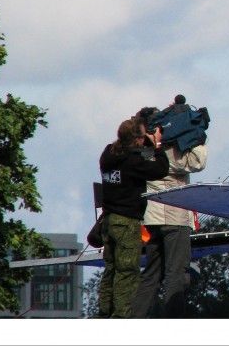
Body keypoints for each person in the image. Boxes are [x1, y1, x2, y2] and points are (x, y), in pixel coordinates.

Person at [131, 98, 208, 318]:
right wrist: (197, 133)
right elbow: (198, 162)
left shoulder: (138, 151)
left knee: (152, 274)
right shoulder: (168, 152)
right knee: (177, 273)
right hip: (174, 217)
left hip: (152, 219)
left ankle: (134, 319)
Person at [97, 117, 170, 318]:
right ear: (137, 140)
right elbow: (160, 169)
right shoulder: (133, 162)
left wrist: (140, 138)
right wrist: (157, 145)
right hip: (127, 222)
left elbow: (124, 150)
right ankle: (122, 316)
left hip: (108, 221)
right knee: (127, 271)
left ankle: (104, 312)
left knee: (111, 269)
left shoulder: (107, 155)